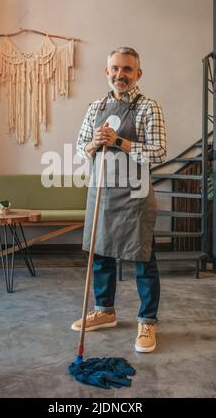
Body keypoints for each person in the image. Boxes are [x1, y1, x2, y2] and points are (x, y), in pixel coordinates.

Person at [73, 47, 167, 353]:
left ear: (137, 74)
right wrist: (92, 144)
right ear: (107, 71)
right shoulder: (95, 106)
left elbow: (159, 151)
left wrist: (119, 142)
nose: (120, 75)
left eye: (127, 69)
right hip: (102, 192)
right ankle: (105, 311)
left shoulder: (148, 107)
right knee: (100, 254)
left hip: (135, 197)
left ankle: (147, 321)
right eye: (115, 68)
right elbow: (79, 149)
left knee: (142, 260)